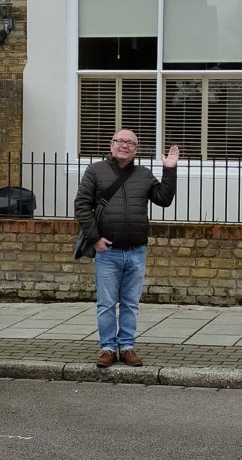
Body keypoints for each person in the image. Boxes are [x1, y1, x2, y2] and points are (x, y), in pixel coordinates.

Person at [74, 129, 179, 368]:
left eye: (130, 143)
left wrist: (169, 169)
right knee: (106, 304)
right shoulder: (95, 171)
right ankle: (108, 348)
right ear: (111, 145)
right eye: (120, 141)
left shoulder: (144, 174)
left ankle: (127, 346)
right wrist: (95, 239)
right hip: (107, 252)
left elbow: (163, 199)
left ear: (136, 150)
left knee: (131, 304)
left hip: (136, 251)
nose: (124, 145)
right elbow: (81, 206)